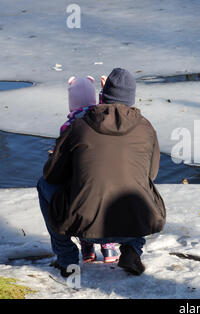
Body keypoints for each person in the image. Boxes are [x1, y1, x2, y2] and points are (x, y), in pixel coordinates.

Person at [37, 68, 166, 277]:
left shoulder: (79, 127)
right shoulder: (146, 128)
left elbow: (53, 175)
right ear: (131, 97)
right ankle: (132, 249)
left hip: (85, 226)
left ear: (102, 96)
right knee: (140, 186)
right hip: (136, 224)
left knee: (44, 185)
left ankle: (67, 260)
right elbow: (151, 174)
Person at [61, 75, 120, 263]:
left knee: (78, 196)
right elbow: (110, 113)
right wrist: (104, 94)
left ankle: (87, 249)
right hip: (105, 181)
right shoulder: (100, 119)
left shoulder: (68, 126)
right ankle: (109, 248)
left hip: (81, 183)